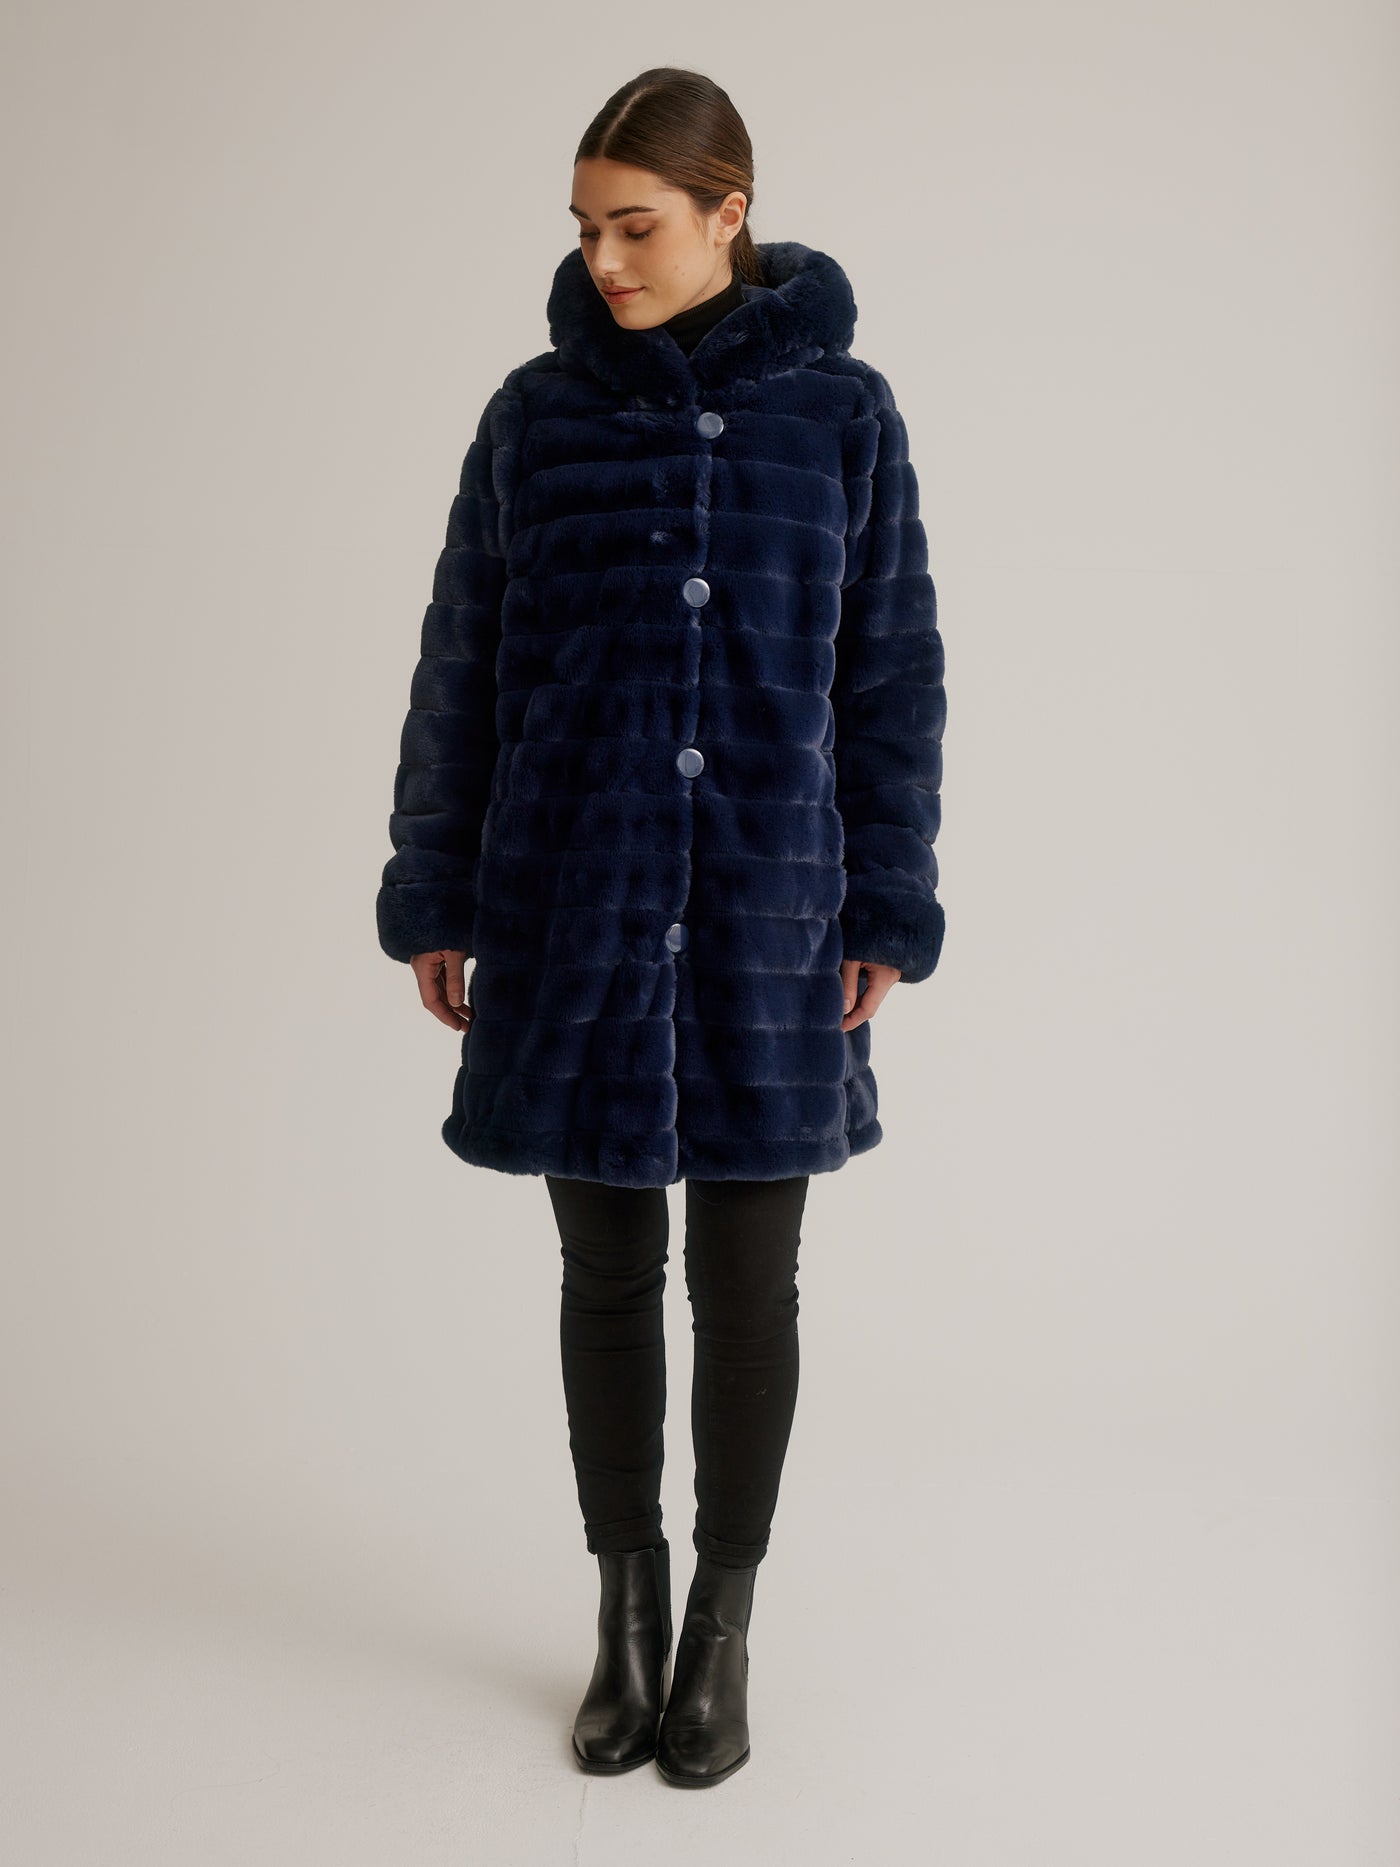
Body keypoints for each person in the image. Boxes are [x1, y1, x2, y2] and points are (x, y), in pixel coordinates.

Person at [375, 66, 946, 1787]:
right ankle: (623, 1616)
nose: (604, 260)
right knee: (607, 1275)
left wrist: (885, 899)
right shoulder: (534, 418)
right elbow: (462, 670)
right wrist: (437, 885)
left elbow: (890, 679)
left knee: (748, 1284)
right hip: (573, 903)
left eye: (637, 226)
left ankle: (721, 1630)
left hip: (774, 913)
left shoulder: (842, 416)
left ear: (728, 213)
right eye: (585, 230)